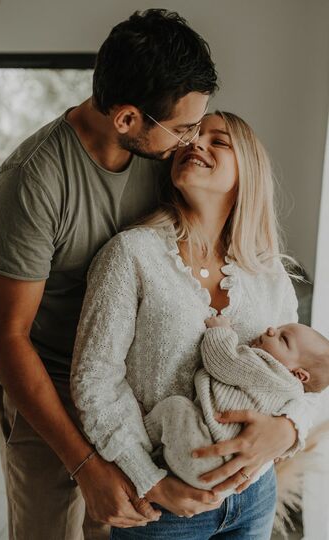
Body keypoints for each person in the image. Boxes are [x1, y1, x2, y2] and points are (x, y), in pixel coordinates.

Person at [0, 9, 219, 540]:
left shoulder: (165, 160)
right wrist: (85, 464)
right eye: (181, 128)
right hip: (48, 386)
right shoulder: (32, 184)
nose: (190, 141)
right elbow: (7, 339)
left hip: (125, 389)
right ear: (128, 119)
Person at [70, 111, 319, 539]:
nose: (195, 144)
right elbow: (95, 380)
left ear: (248, 171)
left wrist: (289, 428)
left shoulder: (269, 272)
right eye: (190, 135)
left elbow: (303, 380)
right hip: (165, 503)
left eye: (218, 141)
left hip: (255, 495)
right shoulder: (131, 255)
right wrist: (147, 478)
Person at [142, 315, 329, 495]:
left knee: (176, 408)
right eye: (279, 328)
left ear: (299, 375)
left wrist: (220, 331)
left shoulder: (267, 369)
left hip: (206, 452)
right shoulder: (295, 394)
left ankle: (148, 433)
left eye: (283, 338)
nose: (272, 330)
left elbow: (223, 361)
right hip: (233, 476)